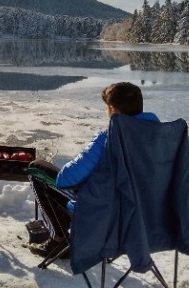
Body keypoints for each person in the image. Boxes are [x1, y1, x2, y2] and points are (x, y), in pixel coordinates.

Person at [28, 82, 159, 257]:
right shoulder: (162, 138)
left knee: (37, 170)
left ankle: (58, 239)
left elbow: (65, 179)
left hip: (108, 216)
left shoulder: (107, 139)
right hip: (151, 217)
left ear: (113, 110)